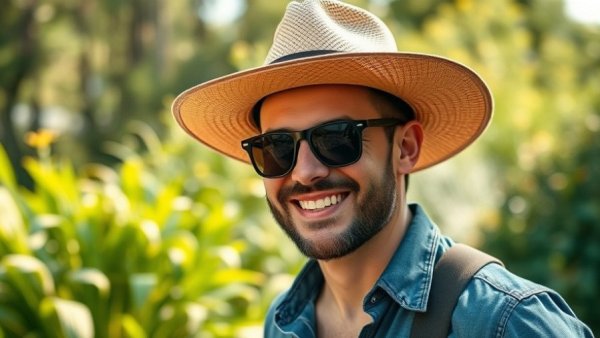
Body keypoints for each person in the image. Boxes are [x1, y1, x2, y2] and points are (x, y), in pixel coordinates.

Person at [172, 0, 594, 337]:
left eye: (336, 138)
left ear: (405, 148)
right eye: (276, 147)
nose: (304, 172)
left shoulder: (503, 322)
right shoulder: (283, 322)